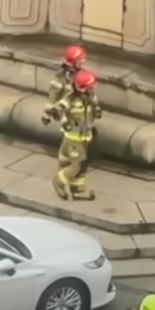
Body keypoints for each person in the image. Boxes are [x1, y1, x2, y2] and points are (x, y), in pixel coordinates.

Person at [52, 70, 102, 200]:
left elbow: (96, 114)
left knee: (83, 165)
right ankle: (58, 181)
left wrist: (96, 106)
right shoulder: (70, 99)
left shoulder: (90, 99)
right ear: (82, 88)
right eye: (90, 87)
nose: (92, 89)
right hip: (74, 139)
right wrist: (65, 123)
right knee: (76, 165)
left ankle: (77, 189)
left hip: (85, 137)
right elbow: (57, 111)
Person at [42, 45, 86, 125]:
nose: (82, 62)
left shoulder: (78, 72)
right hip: (64, 105)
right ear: (74, 61)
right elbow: (54, 92)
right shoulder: (63, 74)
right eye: (80, 60)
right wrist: (48, 113)